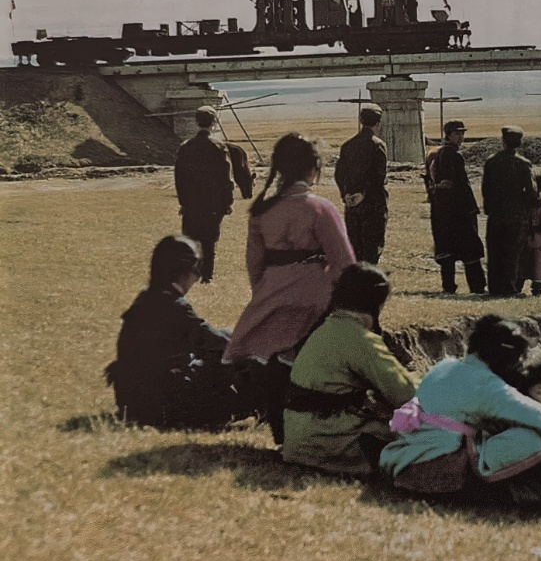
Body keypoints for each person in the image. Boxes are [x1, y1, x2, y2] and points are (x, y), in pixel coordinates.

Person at [381, 315, 541, 522]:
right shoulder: (488, 386)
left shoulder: (444, 367)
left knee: (515, 447)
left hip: (407, 464)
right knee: (534, 438)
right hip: (440, 472)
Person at [225, 133, 356, 446]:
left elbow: (254, 263)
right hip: (315, 296)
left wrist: (265, 295)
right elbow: (345, 263)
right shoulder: (319, 208)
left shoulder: (261, 211)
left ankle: (280, 431)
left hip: (272, 293)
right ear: (313, 168)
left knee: (274, 364)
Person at [282, 263, 417, 478]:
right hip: (330, 442)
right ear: (376, 305)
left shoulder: (323, 330)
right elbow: (406, 394)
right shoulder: (362, 340)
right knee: (424, 438)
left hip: (299, 443)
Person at [105, 235, 255, 429]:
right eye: (196, 268)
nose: (197, 276)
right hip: (160, 406)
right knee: (239, 379)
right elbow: (212, 340)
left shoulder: (146, 300)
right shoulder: (173, 306)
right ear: (182, 270)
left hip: (133, 403)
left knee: (226, 340)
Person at [174, 105, 234, 283]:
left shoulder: (186, 147)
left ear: (196, 122)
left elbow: (179, 177)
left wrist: (183, 202)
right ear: (214, 122)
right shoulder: (218, 147)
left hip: (191, 201)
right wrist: (228, 202)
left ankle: (191, 273)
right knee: (209, 240)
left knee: (191, 238)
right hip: (213, 202)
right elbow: (226, 178)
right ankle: (207, 275)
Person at [430, 120, 486, 295]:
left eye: (462, 133)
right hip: (459, 211)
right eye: (457, 133)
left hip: (443, 210)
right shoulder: (454, 155)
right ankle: (477, 287)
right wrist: (470, 208)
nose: (461, 137)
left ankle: (449, 286)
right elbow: (461, 185)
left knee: (447, 250)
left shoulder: (439, 154)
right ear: (448, 135)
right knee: (470, 250)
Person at [481, 126, 537, 297]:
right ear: (519, 143)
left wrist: (489, 208)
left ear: (503, 141)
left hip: (496, 214)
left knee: (494, 250)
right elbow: (532, 191)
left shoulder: (491, 162)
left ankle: (494, 288)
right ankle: (509, 288)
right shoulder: (523, 164)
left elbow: (486, 188)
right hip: (516, 214)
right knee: (512, 253)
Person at [333, 105, 388, 265]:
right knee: (372, 249)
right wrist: (363, 194)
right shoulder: (377, 145)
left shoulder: (347, 145)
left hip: (352, 204)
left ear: (360, 121)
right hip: (373, 203)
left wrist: (346, 194)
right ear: (378, 123)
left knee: (355, 248)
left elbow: (339, 174)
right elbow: (378, 176)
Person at [517, 175, 541, 297]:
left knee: (521, 267)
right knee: (537, 267)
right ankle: (537, 290)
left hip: (522, 241)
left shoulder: (520, 207)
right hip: (538, 242)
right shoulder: (540, 208)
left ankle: (517, 287)